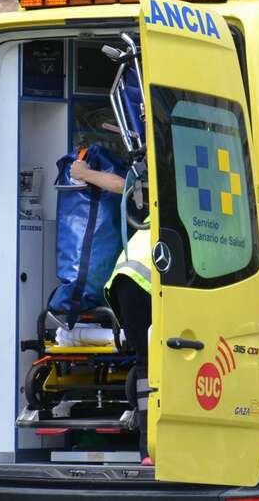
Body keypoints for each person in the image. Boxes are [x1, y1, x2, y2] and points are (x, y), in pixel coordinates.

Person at [71, 160, 154, 466]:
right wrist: (85, 174)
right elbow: (124, 186)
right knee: (159, 364)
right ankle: (154, 448)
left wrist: (84, 174)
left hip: (127, 278)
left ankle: (149, 450)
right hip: (147, 278)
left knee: (148, 366)